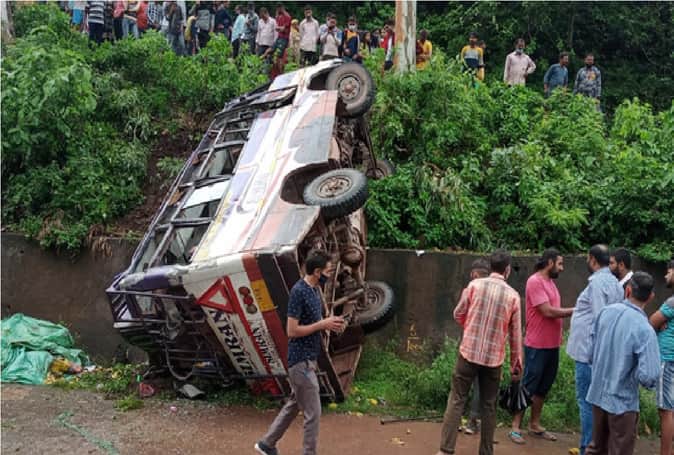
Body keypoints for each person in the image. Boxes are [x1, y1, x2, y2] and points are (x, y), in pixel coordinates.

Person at [254, 251, 345, 455]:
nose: (330, 275)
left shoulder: (314, 291)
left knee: (294, 405)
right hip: (300, 361)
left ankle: (267, 444)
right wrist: (322, 324)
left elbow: (314, 323)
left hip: (308, 360)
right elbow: (292, 331)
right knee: (314, 412)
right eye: (328, 271)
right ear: (317, 272)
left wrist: (331, 324)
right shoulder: (299, 292)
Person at [436, 249, 523, 455]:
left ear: (490, 267)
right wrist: (516, 364)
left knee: (457, 399)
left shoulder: (474, 286)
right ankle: (486, 451)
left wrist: (470, 327)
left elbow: (458, 313)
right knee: (489, 406)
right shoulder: (513, 296)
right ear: (507, 270)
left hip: (468, 354)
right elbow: (515, 335)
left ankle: (445, 450)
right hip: (493, 360)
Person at [586, 271, 660, 455]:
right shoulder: (645, 329)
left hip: (597, 395)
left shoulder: (605, 313)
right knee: (619, 450)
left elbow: (590, 354)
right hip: (622, 402)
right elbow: (649, 376)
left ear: (627, 290)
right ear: (650, 297)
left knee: (596, 448)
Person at [509, 249, 574, 445]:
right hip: (537, 345)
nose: (562, 268)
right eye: (560, 264)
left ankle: (534, 424)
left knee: (543, 386)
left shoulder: (551, 283)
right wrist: (575, 310)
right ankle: (515, 426)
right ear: (550, 262)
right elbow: (547, 311)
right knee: (529, 385)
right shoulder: (535, 281)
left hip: (552, 345)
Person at [566, 244, 625, 455]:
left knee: (587, 402)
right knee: (598, 403)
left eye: (587, 258)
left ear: (592, 259)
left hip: (589, 354)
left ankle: (588, 448)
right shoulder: (615, 284)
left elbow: (601, 319)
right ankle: (597, 447)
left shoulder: (598, 283)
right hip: (600, 353)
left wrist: (596, 355)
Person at [460, 258, 491, 436]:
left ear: (474, 274)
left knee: (461, 386)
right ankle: (473, 422)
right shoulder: (498, 292)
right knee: (481, 386)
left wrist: (467, 326)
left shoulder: (470, 289)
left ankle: (456, 420)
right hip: (489, 350)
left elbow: (459, 313)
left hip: (469, 345)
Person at [650, 258, 674, 455]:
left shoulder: (672, 303)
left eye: (669, 271)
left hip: (667, 358)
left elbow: (651, 322)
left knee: (665, 410)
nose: (666, 275)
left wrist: (659, 324)